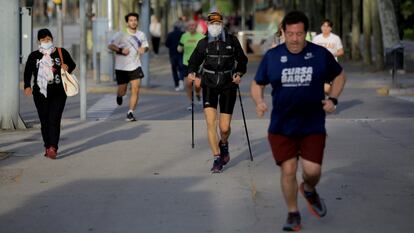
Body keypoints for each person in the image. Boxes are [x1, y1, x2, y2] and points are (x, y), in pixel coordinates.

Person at [251, 11, 346, 231]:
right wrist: (259, 101)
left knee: (312, 172)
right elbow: (257, 84)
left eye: (300, 34)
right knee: (289, 169)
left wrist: (333, 98)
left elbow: (340, 76)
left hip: (312, 124)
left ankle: (309, 189)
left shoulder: (320, 54)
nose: (295, 39)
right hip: (282, 125)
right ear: (283, 32)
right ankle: (293, 213)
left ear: (307, 33)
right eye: (290, 34)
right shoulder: (272, 57)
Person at [188, 12, 248, 173]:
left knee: (225, 128)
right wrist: (192, 72)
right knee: (210, 123)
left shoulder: (232, 41)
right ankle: (217, 158)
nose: (215, 26)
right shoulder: (203, 43)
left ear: (222, 24)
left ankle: (224, 144)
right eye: (212, 23)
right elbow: (193, 61)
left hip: (228, 84)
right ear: (207, 25)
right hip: (209, 84)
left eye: (218, 23)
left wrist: (239, 74)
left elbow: (242, 60)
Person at [23, 28, 76, 159]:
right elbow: (27, 72)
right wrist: (27, 86)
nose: (46, 42)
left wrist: (67, 67)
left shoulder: (60, 52)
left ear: (52, 39)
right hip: (40, 94)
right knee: (44, 121)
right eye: (43, 40)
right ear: (39, 41)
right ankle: (47, 145)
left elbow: (72, 64)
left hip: (59, 93)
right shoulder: (34, 56)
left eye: (48, 39)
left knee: (54, 119)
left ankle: (53, 147)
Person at [108, 12, 149, 122]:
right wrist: (121, 50)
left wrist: (143, 49)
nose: (133, 22)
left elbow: (146, 47)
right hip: (121, 67)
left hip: (135, 66)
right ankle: (119, 95)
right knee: (123, 90)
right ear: (127, 22)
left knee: (136, 89)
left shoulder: (141, 35)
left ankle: (130, 112)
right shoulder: (120, 34)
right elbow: (110, 45)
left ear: (137, 21)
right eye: (131, 20)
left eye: (135, 20)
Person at [177, 20, 205, 111]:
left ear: (196, 26)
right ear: (187, 27)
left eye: (193, 25)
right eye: (190, 25)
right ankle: (191, 102)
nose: (191, 26)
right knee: (188, 84)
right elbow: (180, 47)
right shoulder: (184, 36)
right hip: (187, 63)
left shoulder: (201, 36)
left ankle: (197, 94)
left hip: (198, 64)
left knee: (198, 84)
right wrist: (179, 48)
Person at [312, 19, 344, 94]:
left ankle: (332, 98)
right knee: (319, 87)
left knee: (326, 88)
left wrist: (331, 55)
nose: (325, 28)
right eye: (323, 26)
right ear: (321, 27)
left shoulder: (335, 38)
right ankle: (327, 100)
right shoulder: (316, 39)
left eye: (327, 26)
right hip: (318, 66)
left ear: (330, 28)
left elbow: (341, 51)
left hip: (331, 65)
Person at [165, 21, 185, 91]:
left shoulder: (170, 34)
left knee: (174, 70)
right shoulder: (183, 34)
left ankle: (176, 85)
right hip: (181, 54)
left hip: (172, 54)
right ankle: (181, 80)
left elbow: (166, 44)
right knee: (181, 68)